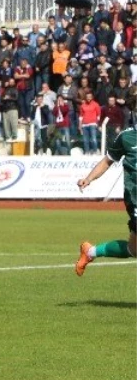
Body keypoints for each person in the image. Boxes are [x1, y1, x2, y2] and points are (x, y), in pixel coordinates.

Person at [74, 114, 137, 276]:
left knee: (134, 249)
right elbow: (107, 161)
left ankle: (90, 252)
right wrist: (88, 178)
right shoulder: (126, 137)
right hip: (135, 196)